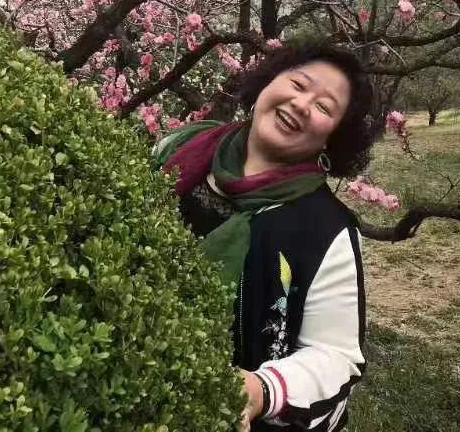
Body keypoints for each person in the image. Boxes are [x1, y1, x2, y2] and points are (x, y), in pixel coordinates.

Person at [154, 42, 376, 431]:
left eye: (324, 108)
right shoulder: (180, 147)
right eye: (298, 84)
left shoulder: (325, 227)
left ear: (333, 137)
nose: (301, 104)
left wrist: (260, 390)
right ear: (267, 83)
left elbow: (335, 355)